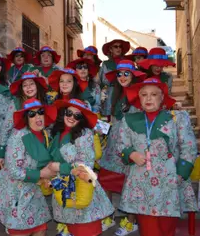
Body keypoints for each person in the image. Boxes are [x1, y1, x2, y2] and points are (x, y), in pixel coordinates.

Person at [117, 78, 198, 236]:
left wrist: (181, 174)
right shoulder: (129, 120)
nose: (148, 98)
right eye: (144, 94)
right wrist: (131, 154)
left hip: (170, 182)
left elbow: (189, 147)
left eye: (154, 94)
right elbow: (121, 145)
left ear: (162, 98)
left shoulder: (177, 118)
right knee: (149, 230)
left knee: (167, 228)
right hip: (141, 184)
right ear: (138, 98)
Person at [0, 98, 57, 236]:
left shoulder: (45, 134)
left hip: (33, 191)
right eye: (32, 114)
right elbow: (14, 171)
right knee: (21, 231)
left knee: (41, 229)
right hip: (16, 193)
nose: (38, 117)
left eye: (40, 112)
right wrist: (41, 174)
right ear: (26, 118)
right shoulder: (18, 137)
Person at [48, 99, 114, 236]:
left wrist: (59, 166)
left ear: (82, 118)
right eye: (69, 113)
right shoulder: (58, 132)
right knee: (73, 227)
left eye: (77, 115)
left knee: (86, 229)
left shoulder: (85, 134)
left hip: (81, 186)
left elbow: (86, 164)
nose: (71, 117)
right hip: (65, 187)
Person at [98, 60, 146, 235]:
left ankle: (131, 222)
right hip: (113, 144)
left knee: (130, 185)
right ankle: (108, 217)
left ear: (133, 75)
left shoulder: (140, 93)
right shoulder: (113, 92)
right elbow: (111, 119)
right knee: (106, 182)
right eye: (119, 74)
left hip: (131, 145)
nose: (123, 77)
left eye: (127, 73)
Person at [0, 72, 48, 160]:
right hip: (20, 145)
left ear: (37, 86)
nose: (29, 87)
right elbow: (6, 127)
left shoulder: (44, 101)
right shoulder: (16, 103)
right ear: (21, 89)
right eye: (25, 85)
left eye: (31, 84)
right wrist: (0, 153)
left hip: (40, 144)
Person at [99, 39, 131, 121]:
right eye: (115, 46)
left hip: (125, 92)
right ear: (110, 49)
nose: (118, 48)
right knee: (110, 119)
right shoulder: (106, 64)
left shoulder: (128, 62)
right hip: (111, 93)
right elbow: (103, 80)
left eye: (120, 46)